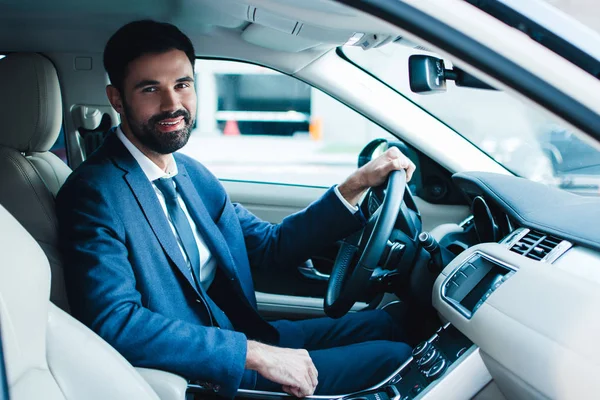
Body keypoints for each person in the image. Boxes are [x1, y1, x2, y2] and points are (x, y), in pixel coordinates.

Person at [56, 20, 416, 399]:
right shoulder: (93, 194)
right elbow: (116, 322)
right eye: (150, 89)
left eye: (182, 85)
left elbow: (272, 246)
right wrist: (252, 354)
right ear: (117, 99)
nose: (173, 104)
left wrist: (356, 184)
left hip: (245, 334)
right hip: (205, 372)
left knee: (391, 324)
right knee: (394, 359)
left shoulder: (190, 173)